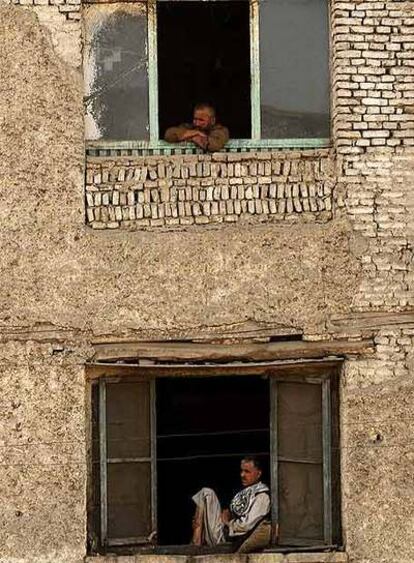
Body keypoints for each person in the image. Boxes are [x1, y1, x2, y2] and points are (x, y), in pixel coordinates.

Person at [191, 456, 271, 553]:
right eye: (241, 471)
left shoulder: (262, 496)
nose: (242, 475)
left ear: (258, 474)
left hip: (231, 539)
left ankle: (195, 543)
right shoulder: (244, 490)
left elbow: (246, 525)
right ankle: (196, 540)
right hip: (225, 531)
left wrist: (227, 522)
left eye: (247, 472)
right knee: (206, 493)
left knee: (206, 493)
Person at [164, 103, 229, 152]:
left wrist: (192, 137)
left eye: (201, 120)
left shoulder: (221, 130)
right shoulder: (190, 127)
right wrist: (196, 133)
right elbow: (169, 134)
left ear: (212, 121)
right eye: (195, 119)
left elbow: (214, 145)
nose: (197, 123)